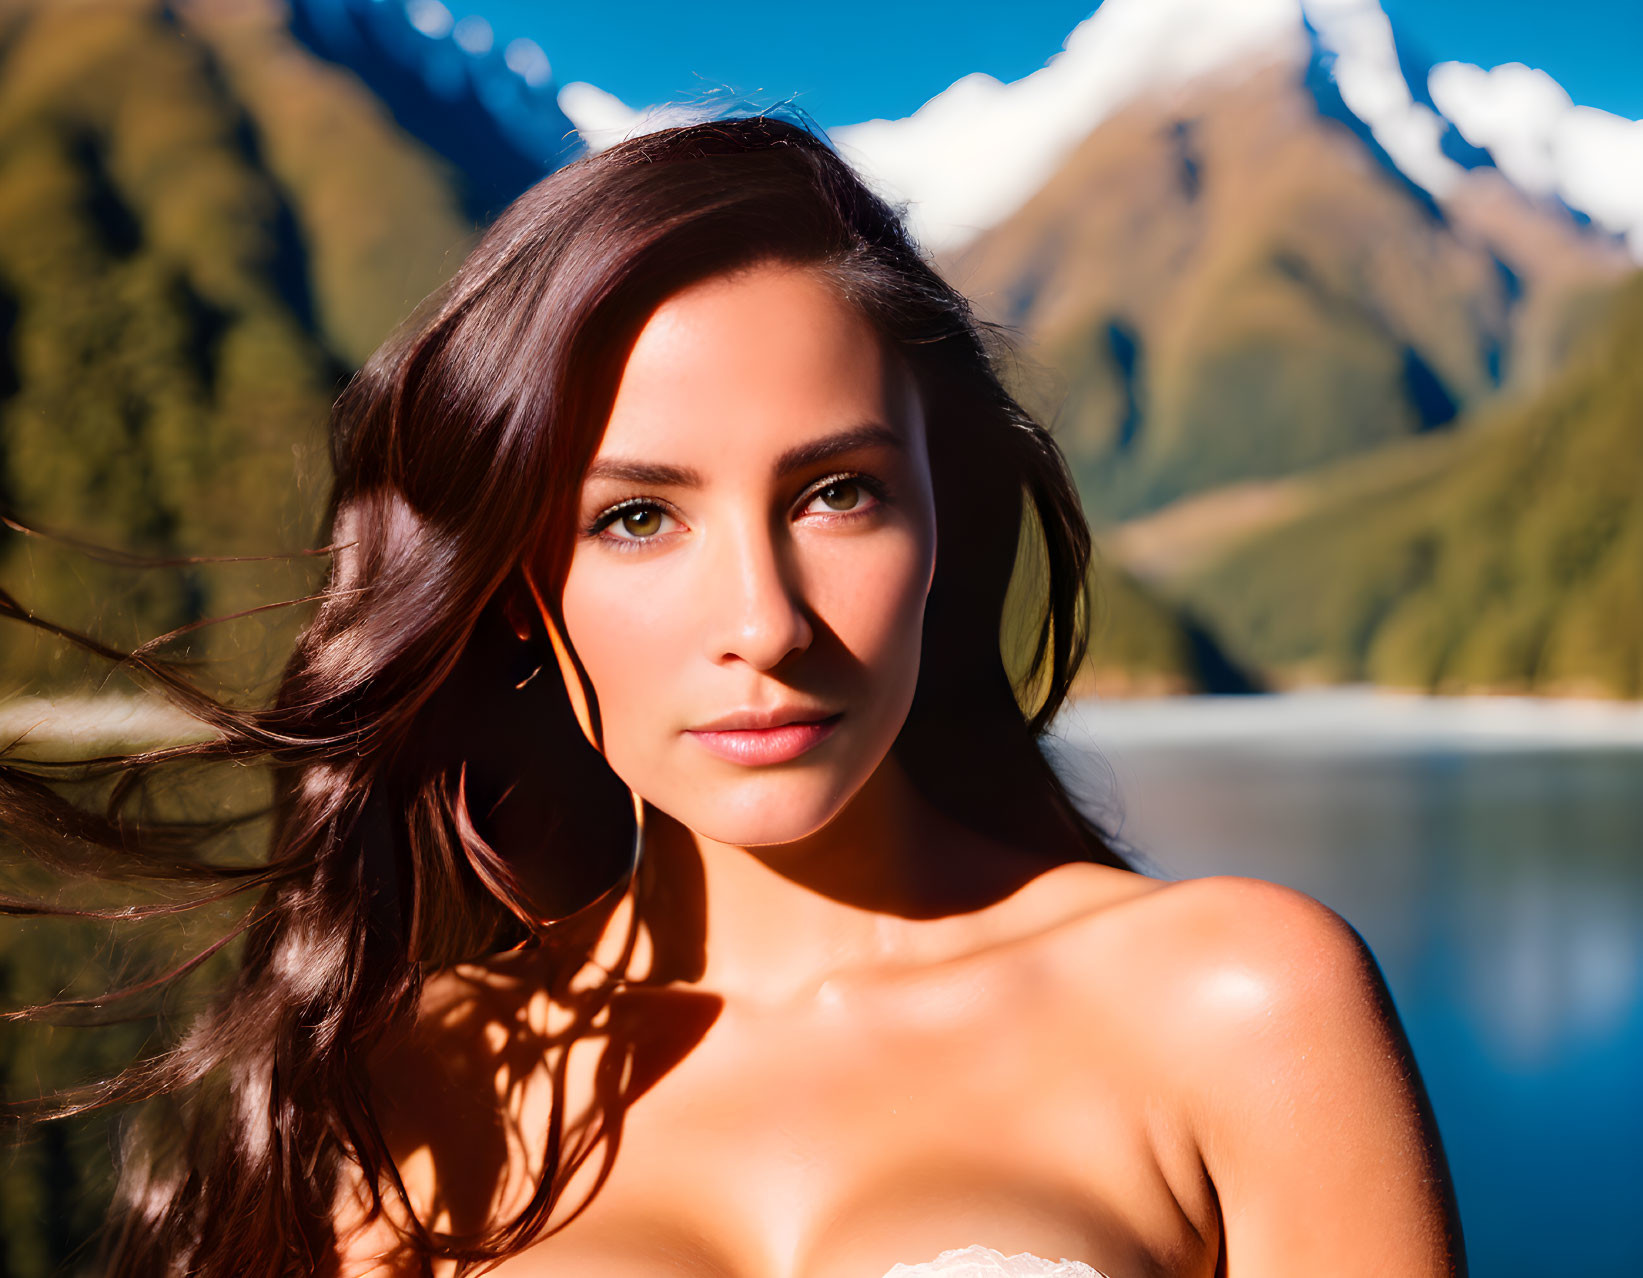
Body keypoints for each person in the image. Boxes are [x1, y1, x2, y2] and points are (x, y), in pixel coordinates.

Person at [1, 115, 1462, 1278]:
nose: (763, 621)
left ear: (941, 521)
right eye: (636, 517)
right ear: (521, 585)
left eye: (837, 493)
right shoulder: (418, 1075)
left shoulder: (1237, 1001)